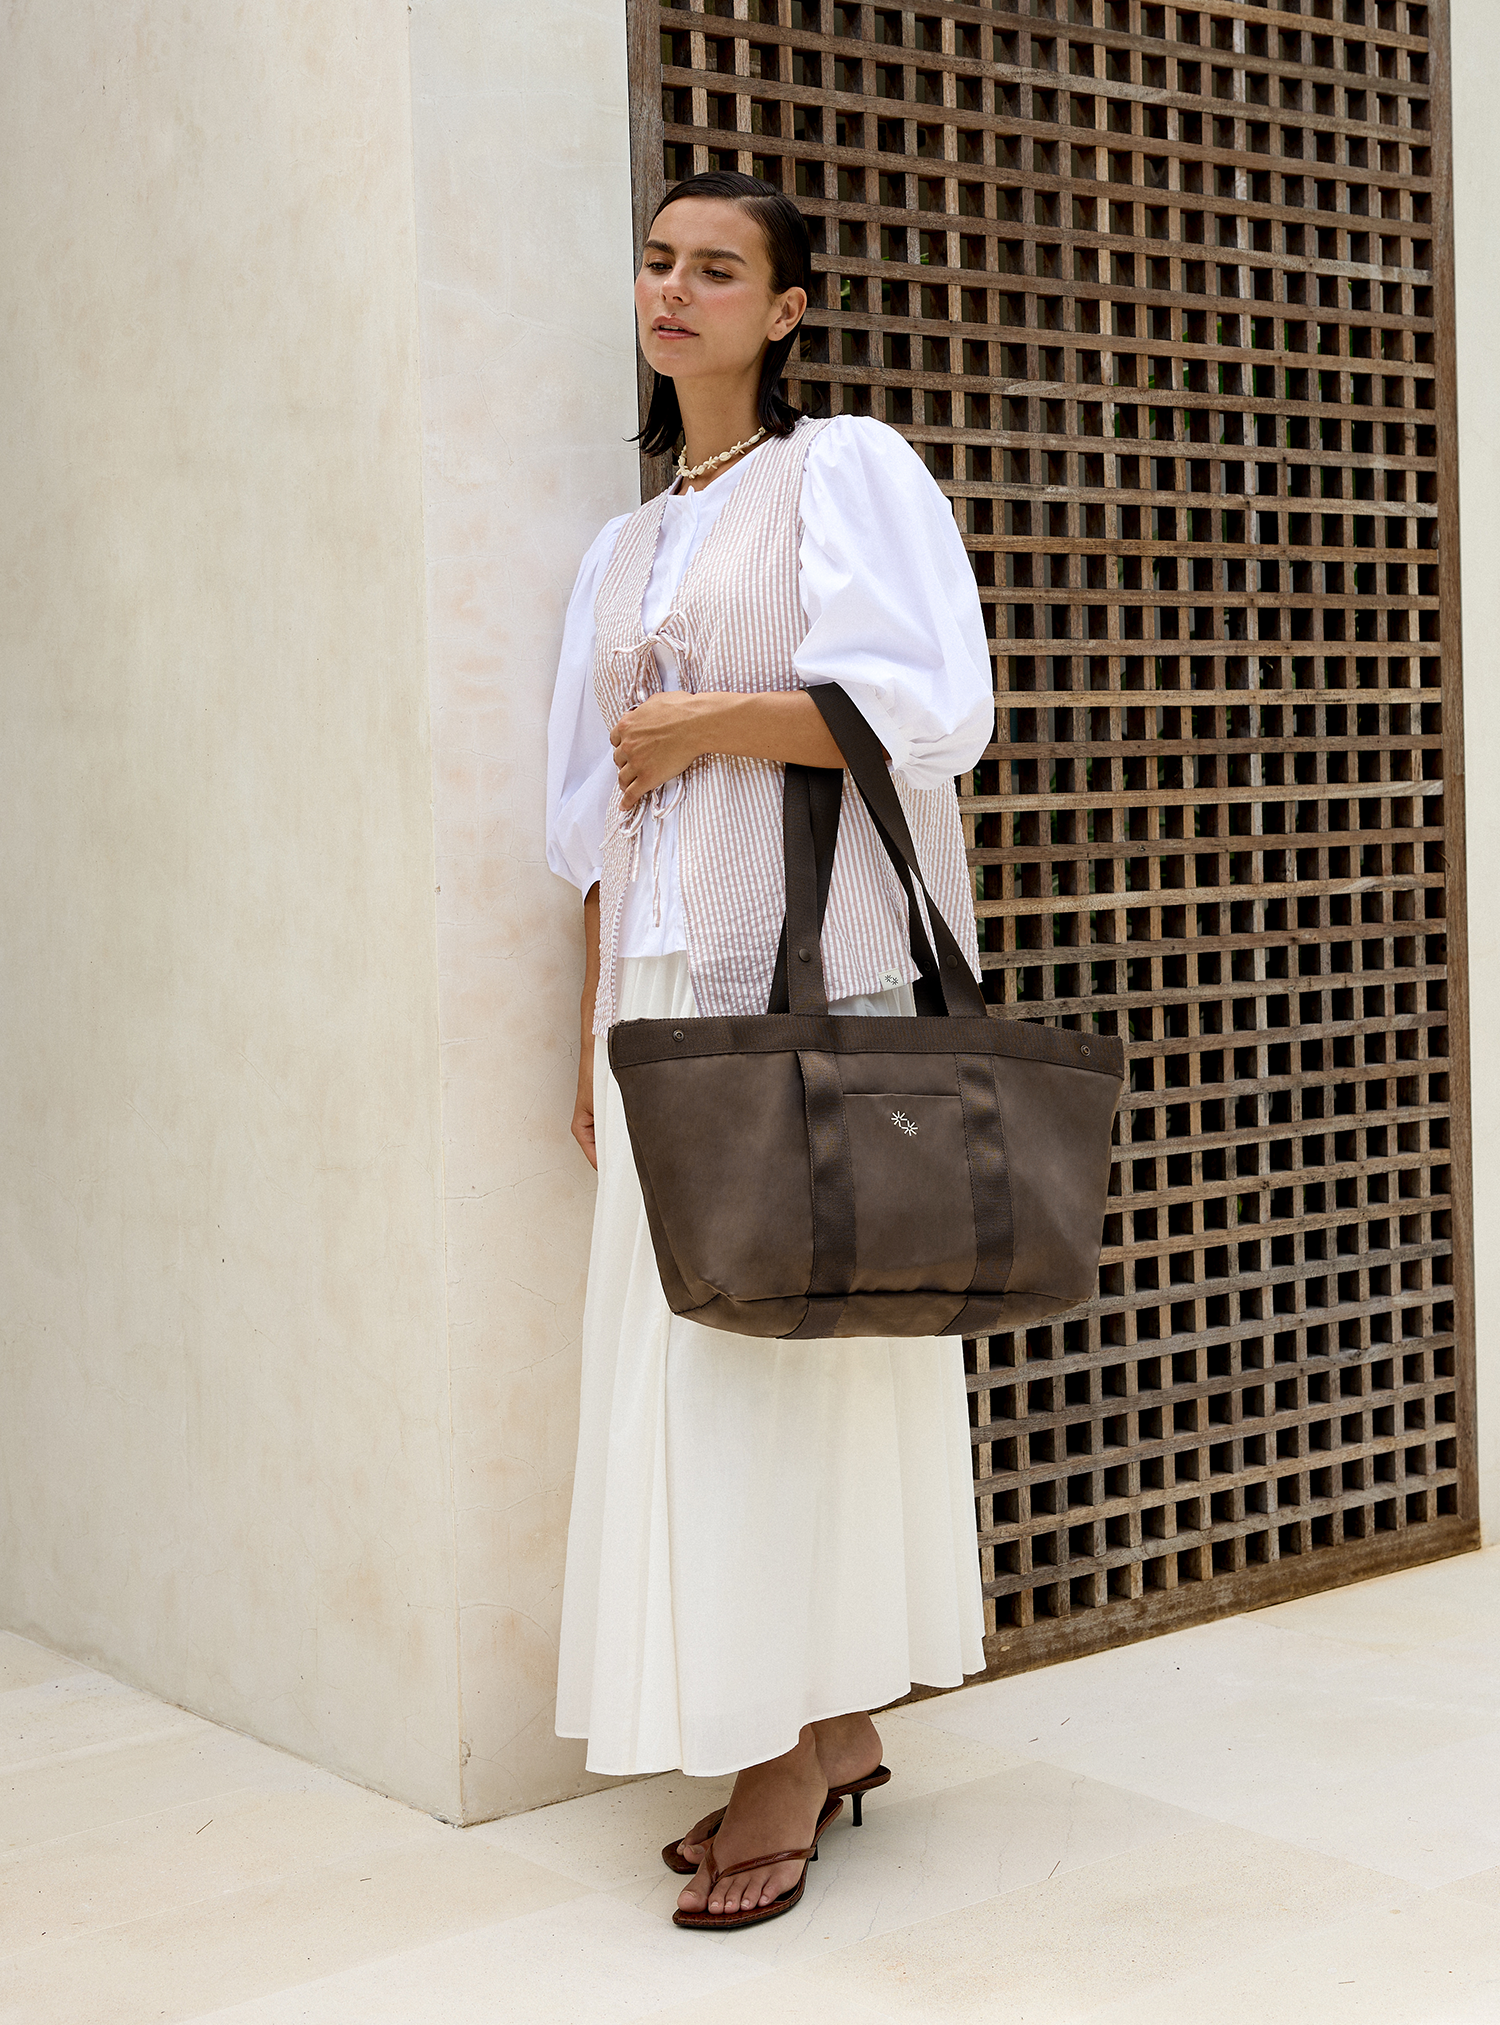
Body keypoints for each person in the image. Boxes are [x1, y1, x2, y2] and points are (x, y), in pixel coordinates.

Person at [544, 172, 994, 1931]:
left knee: (793, 1371)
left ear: (787, 310)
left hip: (818, 985)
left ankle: (789, 1755)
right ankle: (830, 1721)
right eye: (658, 261)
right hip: (659, 997)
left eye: (719, 269)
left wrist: (712, 720)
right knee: (697, 1370)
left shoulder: (846, 473)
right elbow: (592, 821)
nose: (676, 290)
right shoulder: (622, 547)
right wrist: (587, 1038)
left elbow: (931, 715)